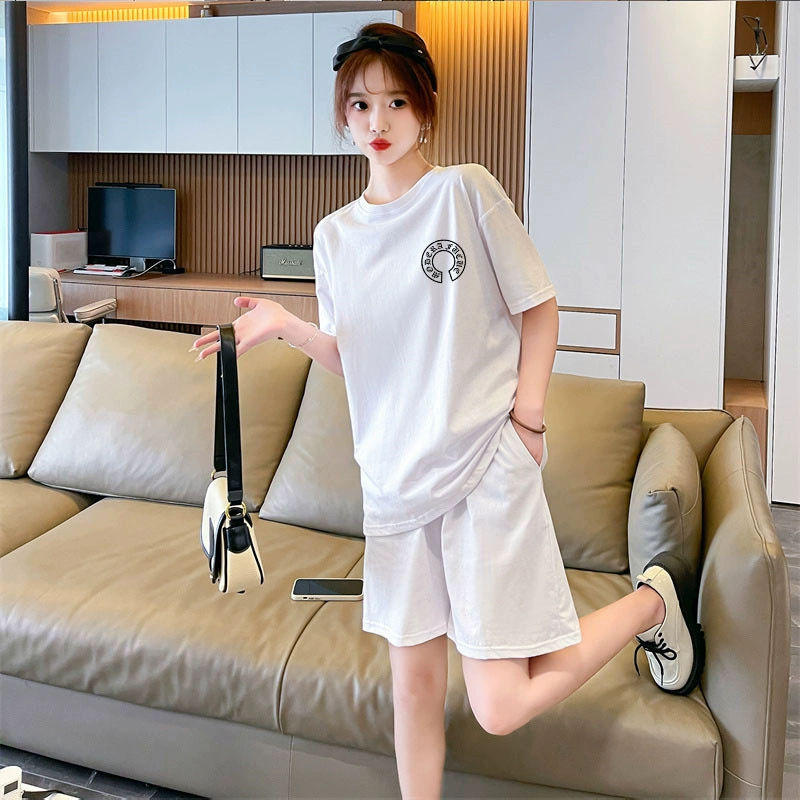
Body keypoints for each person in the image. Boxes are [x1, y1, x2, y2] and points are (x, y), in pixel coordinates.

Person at [190, 23, 705, 800]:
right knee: (415, 690)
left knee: (499, 705)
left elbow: (540, 307)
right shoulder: (334, 237)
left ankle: (651, 603)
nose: (378, 120)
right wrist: (288, 326)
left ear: (425, 110)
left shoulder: (465, 191)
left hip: (482, 469)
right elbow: (356, 357)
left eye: (396, 101)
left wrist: (528, 421)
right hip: (394, 487)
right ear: (342, 116)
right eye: (360, 104)